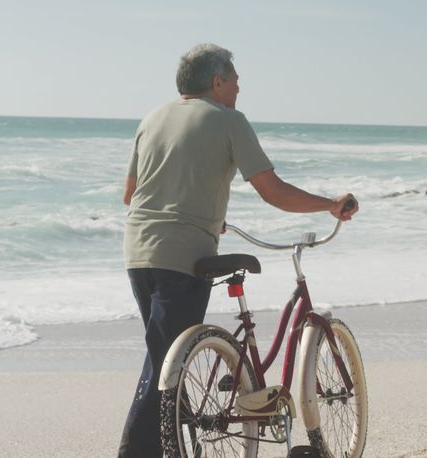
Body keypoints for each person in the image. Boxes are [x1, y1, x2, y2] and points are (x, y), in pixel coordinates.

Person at [118, 43, 359, 458]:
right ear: (217, 81)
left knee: (164, 359)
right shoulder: (229, 120)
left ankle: (174, 443)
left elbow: (131, 195)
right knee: (163, 368)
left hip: (138, 251)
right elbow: (273, 191)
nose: (239, 90)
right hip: (183, 257)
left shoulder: (152, 118)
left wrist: (201, 212)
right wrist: (330, 204)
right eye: (235, 81)